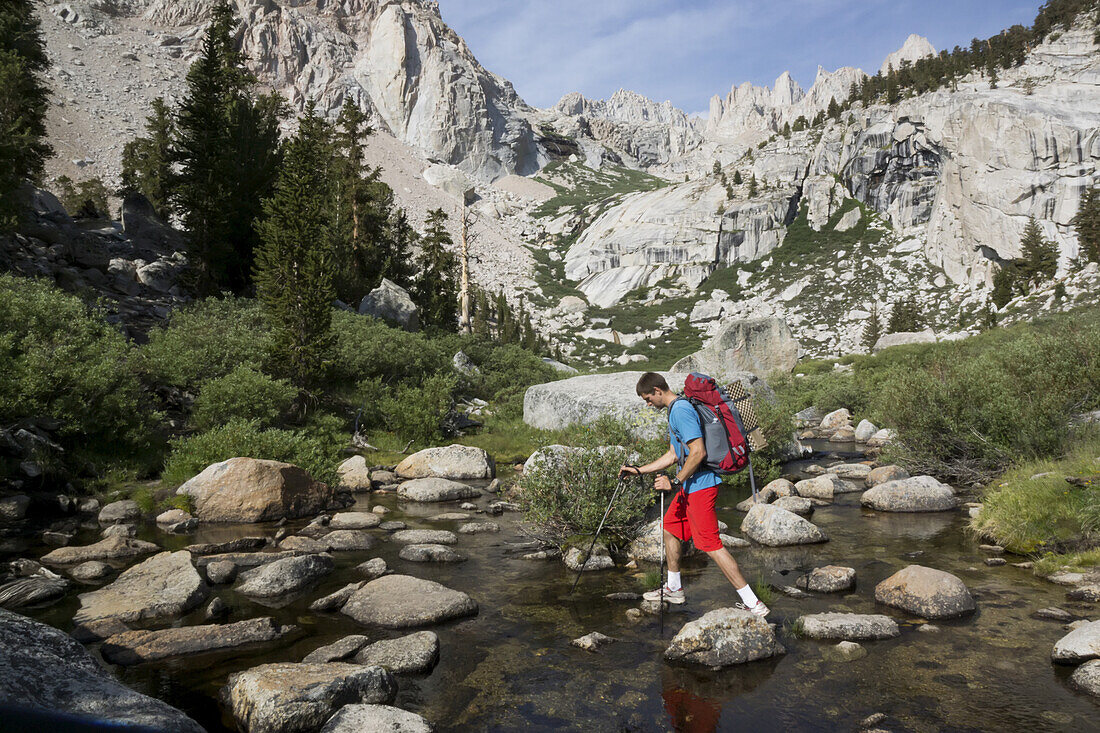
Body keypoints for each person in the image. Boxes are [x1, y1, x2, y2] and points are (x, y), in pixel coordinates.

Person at [619, 372, 769, 617]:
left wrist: (675, 482)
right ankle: (675, 588)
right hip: (691, 486)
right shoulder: (674, 411)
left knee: (710, 544)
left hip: (700, 486)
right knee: (670, 527)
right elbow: (674, 455)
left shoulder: (681, 411)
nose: (648, 404)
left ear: (658, 390)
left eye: (648, 398)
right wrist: (638, 470)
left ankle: (753, 603)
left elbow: (697, 452)